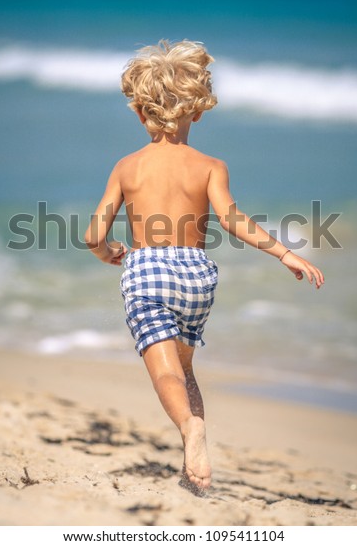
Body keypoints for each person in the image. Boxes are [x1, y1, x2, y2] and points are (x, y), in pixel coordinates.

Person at [84, 39, 324, 492]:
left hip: (147, 272)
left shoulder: (127, 167)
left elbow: (93, 234)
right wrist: (285, 253)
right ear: (198, 111)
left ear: (140, 112)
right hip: (197, 275)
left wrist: (108, 252)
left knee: (166, 372)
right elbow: (232, 219)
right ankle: (193, 474)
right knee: (187, 369)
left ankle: (191, 431)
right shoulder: (211, 165)